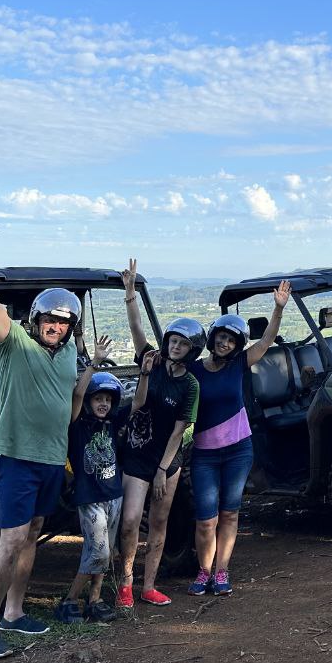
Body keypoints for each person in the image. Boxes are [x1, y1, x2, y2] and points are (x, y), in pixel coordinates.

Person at [0, 214, 85, 660]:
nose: (55, 326)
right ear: (36, 319)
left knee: (32, 534)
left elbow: (69, 399)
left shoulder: (68, 353)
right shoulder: (13, 342)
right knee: (11, 540)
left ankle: (14, 612)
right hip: (16, 455)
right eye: (49, 319)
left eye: (63, 322)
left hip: (51, 458)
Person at [188, 280, 291, 595]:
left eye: (231, 340)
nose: (224, 343)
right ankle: (204, 571)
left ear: (237, 345)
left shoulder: (239, 365)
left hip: (238, 450)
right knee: (206, 518)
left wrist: (278, 308)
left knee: (230, 513)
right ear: (212, 338)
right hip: (204, 454)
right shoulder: (194, 370)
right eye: (221, 337)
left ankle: (222, 571)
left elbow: (268, 340)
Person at [117, 259, 203, 608]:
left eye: (183, 344)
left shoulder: (191, 385)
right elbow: (137, 327)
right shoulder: (150, 362)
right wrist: (130, 294)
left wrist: (162, 470)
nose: (176, 346)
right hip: (137, 455)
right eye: (173, 341)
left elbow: (180, 430)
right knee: (130, 521)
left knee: (159, 521)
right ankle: (125, 582)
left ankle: (148, 585)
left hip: (167, 461)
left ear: (192, 350)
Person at [56, 353, 127, 625]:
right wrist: (93, 365)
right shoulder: (77, 426)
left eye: (107, 399)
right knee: (99, 552)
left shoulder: (111, 423)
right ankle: (69, 600)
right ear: (88, 402)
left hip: (114, 495)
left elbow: (139, 402)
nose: (103, 404)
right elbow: (76, 395)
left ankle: (94, 600)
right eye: (98, 399)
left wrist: (145, 373)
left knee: (106, 552)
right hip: (90, 497)